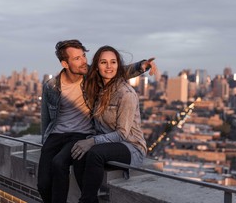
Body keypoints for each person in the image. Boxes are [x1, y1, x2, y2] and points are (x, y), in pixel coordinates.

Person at [38, 40, 156, 203]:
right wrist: (45, 142)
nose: (84, 61)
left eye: (84, 56)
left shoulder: (95, 80)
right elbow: (45, 118)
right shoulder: (51, 86)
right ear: (65, 63)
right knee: (43, 184)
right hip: (58, 135)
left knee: (61, 163)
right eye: (77, 58)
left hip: (86, 135)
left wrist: (141, 66)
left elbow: (117, 71)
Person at [71, 45, 147, 203]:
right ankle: (90, 199)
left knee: (94, 153)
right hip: (107, 142)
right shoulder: (99, 89)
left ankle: (86, 200)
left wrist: (91, 141)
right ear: (97, 66)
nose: (109, 66)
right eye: (103, 62)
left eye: (113, 62)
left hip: (130, 146)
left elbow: (122, 134)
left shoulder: (126, 94)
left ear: (118, 65)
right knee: (78, 151)